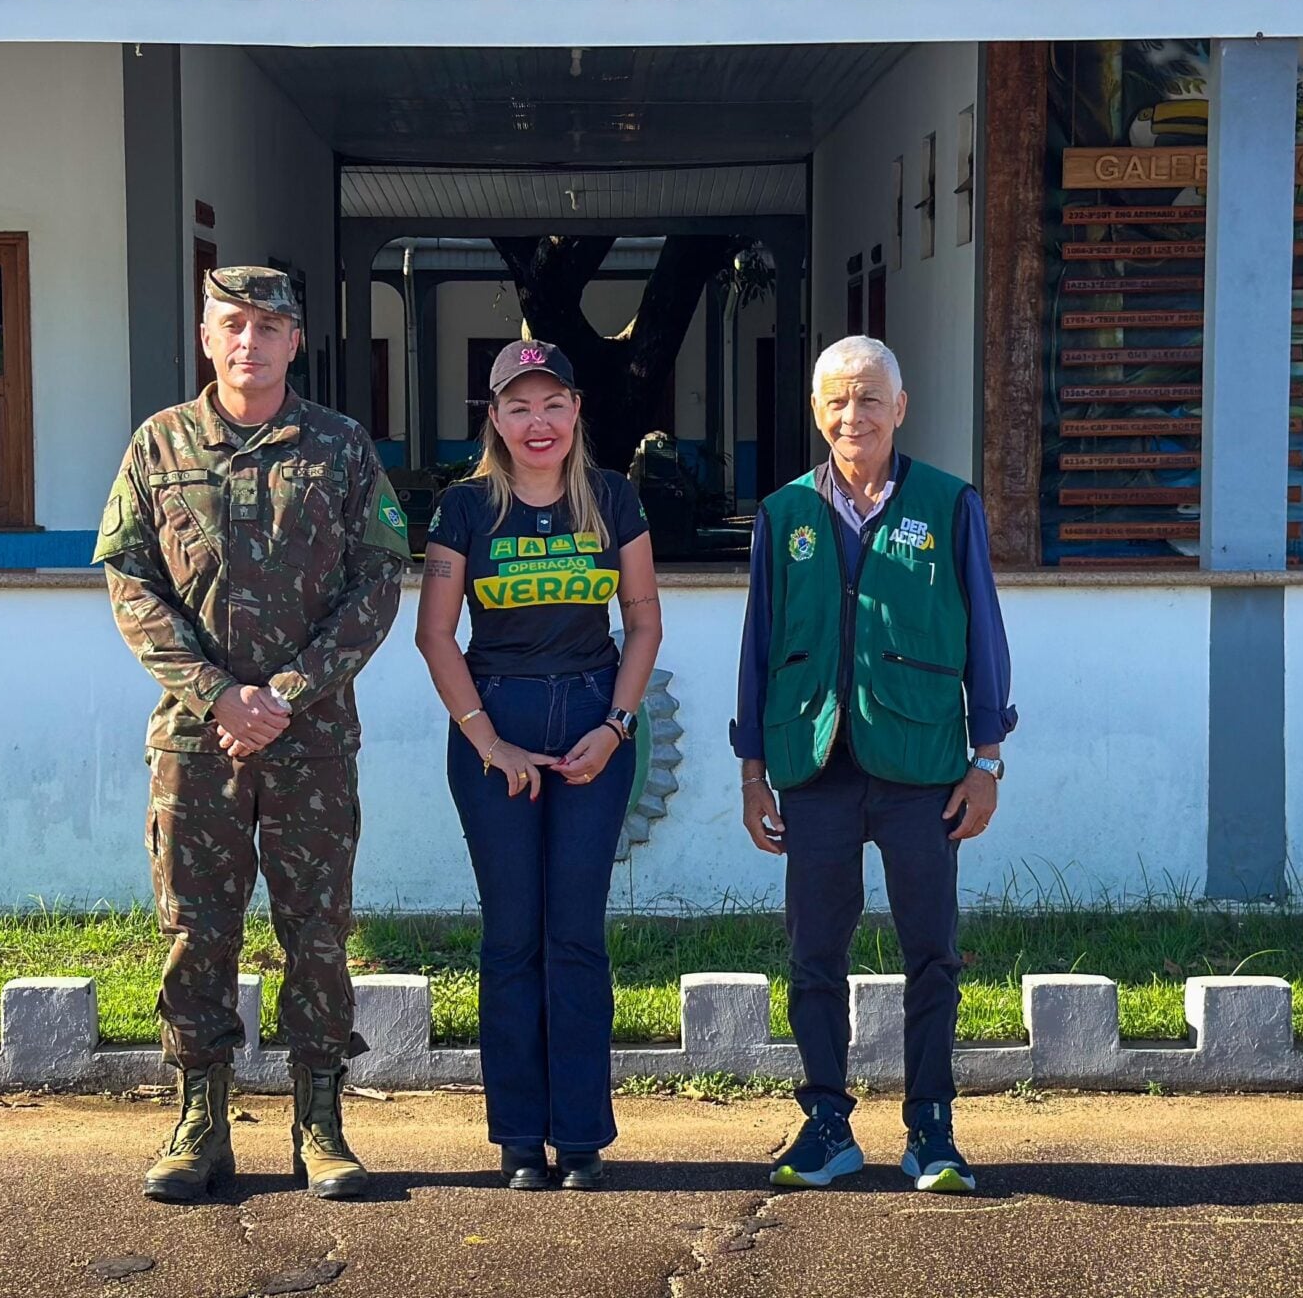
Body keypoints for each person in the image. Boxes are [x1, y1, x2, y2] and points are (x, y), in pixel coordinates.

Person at [94, 265, 414, 1203]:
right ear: (205, 336)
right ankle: (200, 1123)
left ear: (295, 342)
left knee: (316, 932)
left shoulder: (342, 449)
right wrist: (217, 698)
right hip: (198, 745)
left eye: (268, 327)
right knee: (198, 932)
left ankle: (321, 1126)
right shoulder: (159, 446)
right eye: (232, 324)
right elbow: (131, 585)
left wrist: (282, 692)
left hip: (311, 741)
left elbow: (376, 585)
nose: (249, 342)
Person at [730, 334, 1017, 1194]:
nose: (853, 415)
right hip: (814, 762)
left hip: (923, 761)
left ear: (901, 408)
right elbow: (759, 643)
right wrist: (752, 772)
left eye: (869, 399)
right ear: (818, 413)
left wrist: (987, 760)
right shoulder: (783, 515)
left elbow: (986, 638)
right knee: (815, 949)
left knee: (933, 949)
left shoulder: (950, 503)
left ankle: (932, 1127)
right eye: (837, 401)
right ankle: (825, 1123)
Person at [414, 338, 661, 1193]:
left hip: (593, 714)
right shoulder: (464, 509)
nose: (538, 422)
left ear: (577, 409)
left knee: (577, 936)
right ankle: (520, 1137)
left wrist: (617, 726)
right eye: (519, 406)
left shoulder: (616, 500)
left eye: (552, 404)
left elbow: (642, 621)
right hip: (497, 717)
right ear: (495, 418)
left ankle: (583, 1136)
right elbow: (435, 636)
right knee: (513, 936)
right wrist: (489, 743)